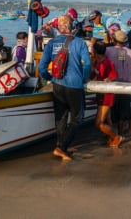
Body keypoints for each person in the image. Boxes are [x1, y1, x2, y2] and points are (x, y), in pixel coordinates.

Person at [39, 15, 92, 161]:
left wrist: (49, 78)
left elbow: (42, 67)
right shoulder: (79, 43)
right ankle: (61, 148)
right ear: (72, 26)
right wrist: (84, 78)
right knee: (76, 118)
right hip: (74, 85)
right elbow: (87, 64)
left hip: (57, 84)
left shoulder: (51, 43)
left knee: (61, 117)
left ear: (59, 27)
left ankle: (60, 145)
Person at [90, 40, 123, 148]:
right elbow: (93, 76)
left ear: (95, 51)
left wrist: (109, 79)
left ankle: (116, 137)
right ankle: (109, 138)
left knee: (98, 123)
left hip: (107, 95)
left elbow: (114, 76)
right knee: (107, 119)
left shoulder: (108, 63)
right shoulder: (96, 62)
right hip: (100, 93)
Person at [106, 30, 131, 135]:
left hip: (113, 85)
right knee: (123, 112)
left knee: (113, 111)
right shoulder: (130, 52)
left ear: (113, 39)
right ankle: (121, 133)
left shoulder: (108, 50)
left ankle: (114, 135)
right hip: (126, 85)